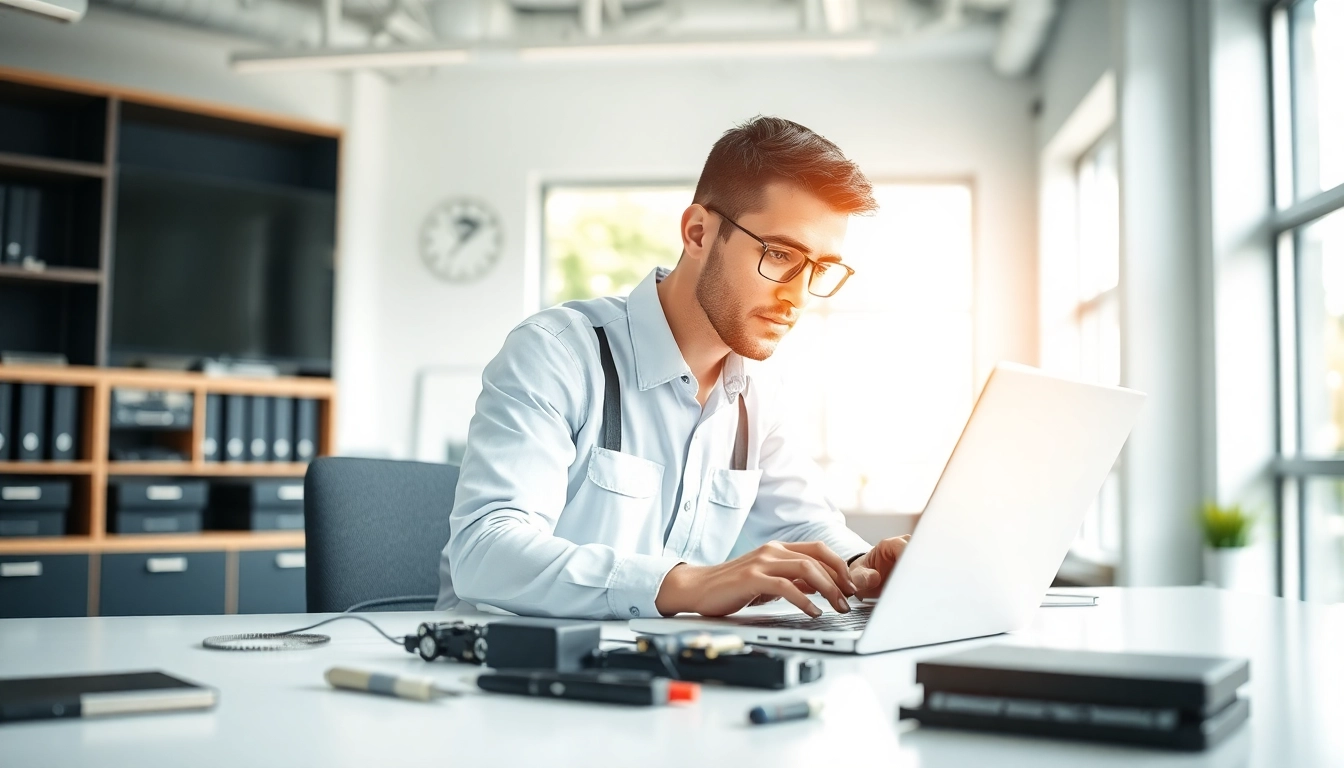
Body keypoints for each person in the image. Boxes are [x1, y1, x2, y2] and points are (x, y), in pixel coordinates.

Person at [438, 115, 912, 620]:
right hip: (504, 671)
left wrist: (861, 565)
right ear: (698, 232)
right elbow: (484, 552)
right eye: (779, 255)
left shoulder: (758, 392)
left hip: (660, 670)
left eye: (820, 269)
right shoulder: (557, 354)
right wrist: (685, 583)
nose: (797, 297)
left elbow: (800, 524)